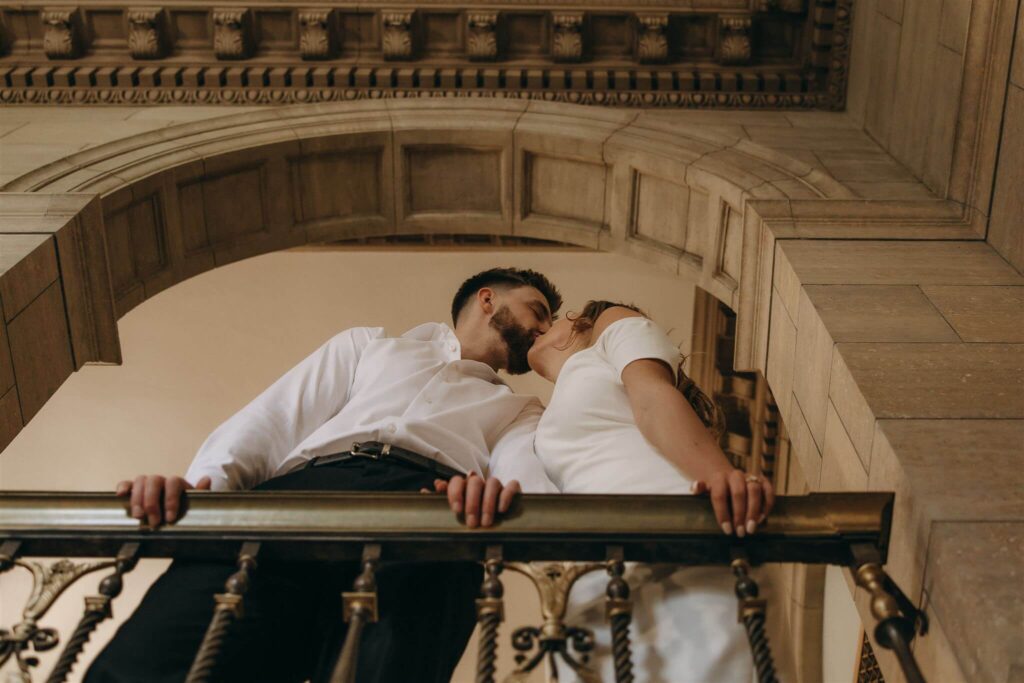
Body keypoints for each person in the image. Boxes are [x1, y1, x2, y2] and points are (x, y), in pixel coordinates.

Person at [87, 267, 562, 683]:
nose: (543, 328)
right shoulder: (368, 346)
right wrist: (206, 494)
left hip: (429, 522)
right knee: (161, 656)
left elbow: (528, 487)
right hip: (295, 503)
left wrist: (493, 498)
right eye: (537, 311)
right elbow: (272, 422)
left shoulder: (521, 409)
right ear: (487, 299)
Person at [445, 300, 775, 683]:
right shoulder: (538, 421)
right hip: (592, 595)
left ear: (582, 323)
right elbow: (530, 498)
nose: (543, 325)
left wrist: (723, 477)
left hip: (677, 556)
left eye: (555, 318)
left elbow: (652, 398)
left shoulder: (610, 324)